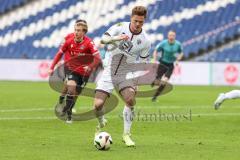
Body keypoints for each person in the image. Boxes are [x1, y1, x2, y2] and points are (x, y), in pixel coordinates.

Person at [93, 6, 151, 147]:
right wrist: (117, 38)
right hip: (109, 70)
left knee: (130, 100)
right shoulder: (120, 27)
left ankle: (126, 134)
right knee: (97, 105)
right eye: (136, 20)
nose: (138, 24)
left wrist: (136, 81)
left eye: (141, 22)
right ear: (131, 17)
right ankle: (101, 122)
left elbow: (143, 63)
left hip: (126, 73)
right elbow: (104, 39)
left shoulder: (145, 41)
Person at [49, 19, 101, 123]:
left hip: (84, 72)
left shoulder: (89, 43)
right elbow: (59, 53)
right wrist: (52, 67)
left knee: (75, 94)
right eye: (75, 30)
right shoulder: (68, 39)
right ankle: (68, 115)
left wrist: (90, 67)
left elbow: (97, 58)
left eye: (79, 30)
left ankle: (66, 108)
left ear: (84, 32)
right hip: (70, 67)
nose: (76, 32)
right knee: (70, 87)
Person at [151, 30, 183, 102]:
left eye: (173, 35)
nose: (171, 37)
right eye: (170, 35)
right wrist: (154, 60)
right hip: (162, 63)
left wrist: (178, 59)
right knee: (157, 80)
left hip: (170, 65)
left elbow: (180, 53)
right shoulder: (163, 43)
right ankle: (154, 81)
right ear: (168, 36)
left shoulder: (178, 44)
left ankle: (155, 97)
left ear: (175, 36)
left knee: (164, 81)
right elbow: (156, 51)